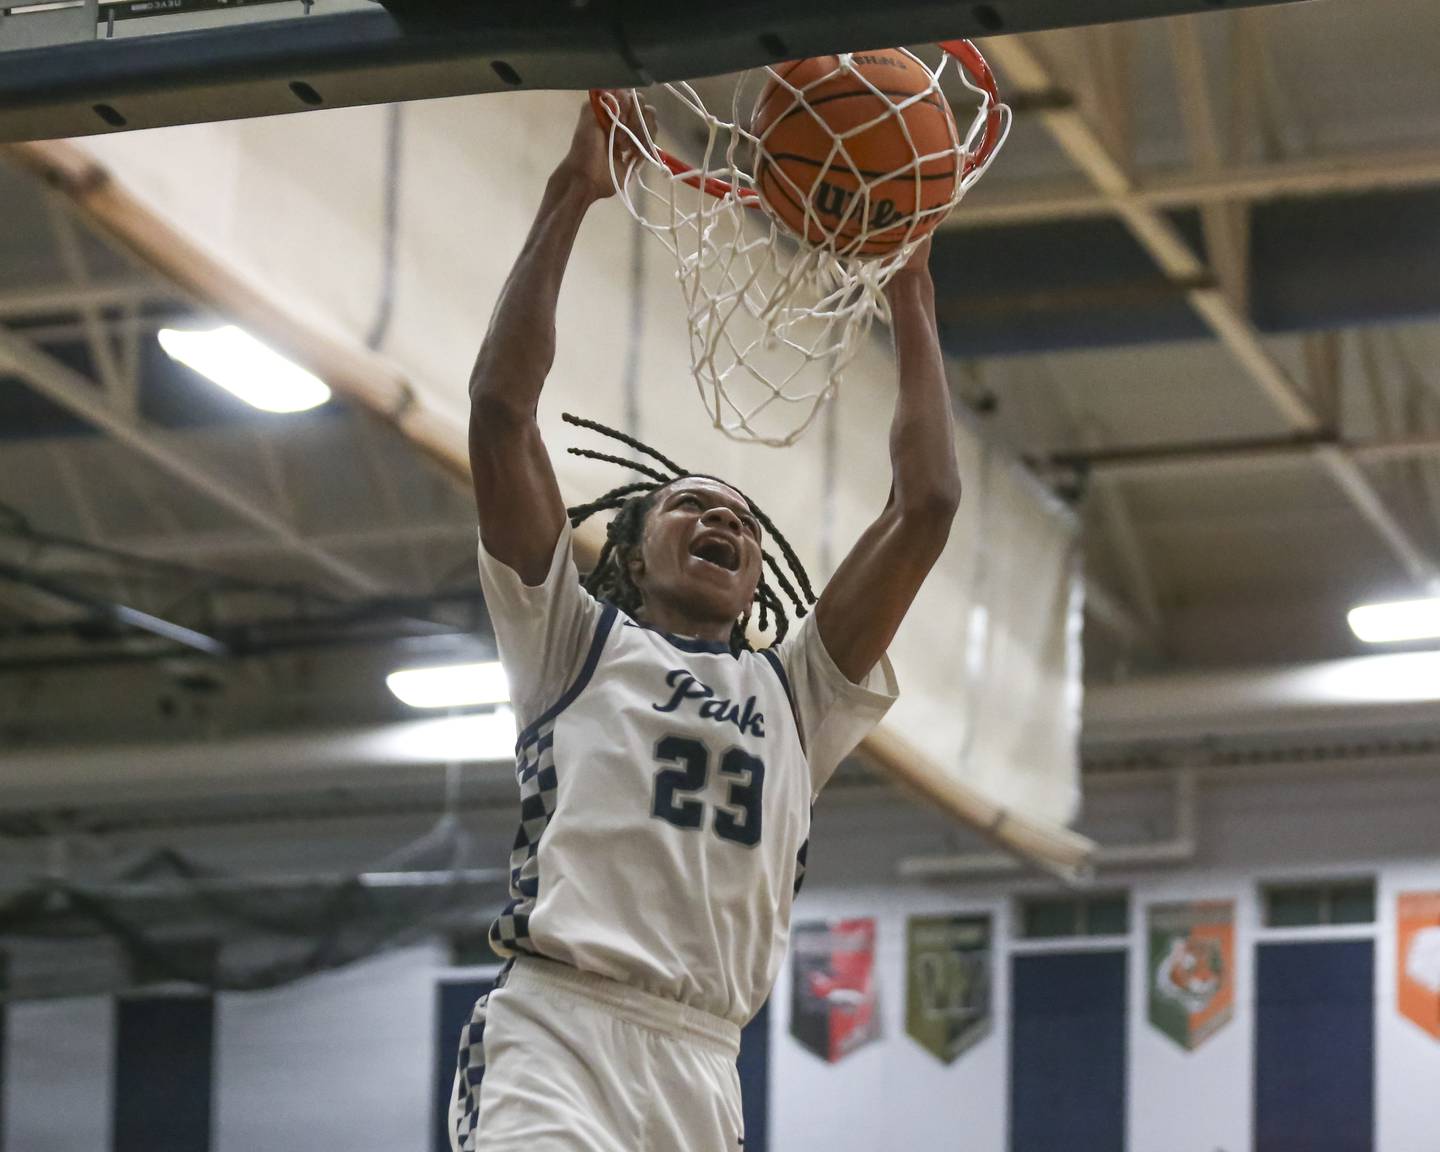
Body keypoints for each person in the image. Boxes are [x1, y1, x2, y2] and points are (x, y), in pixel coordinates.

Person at [451, 93, 961, 1152]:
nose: (724, 515)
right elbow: (503, 414)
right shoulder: (572, 640)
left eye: (740, 517)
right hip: (560, 1031)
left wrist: (908, 282)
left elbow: (928, 506)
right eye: (690, 504)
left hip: (704, 1064)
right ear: (631, 555)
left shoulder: (798, 693)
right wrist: (572, 193)